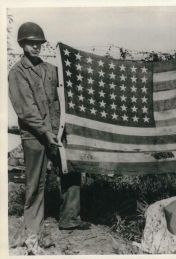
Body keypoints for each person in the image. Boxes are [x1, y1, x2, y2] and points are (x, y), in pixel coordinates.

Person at [9, 22, 90, 254]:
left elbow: (66, 93)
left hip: (56, 133)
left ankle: (70, 218)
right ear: (22, 44)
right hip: (34, 136)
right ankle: (32, 230)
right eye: (31, 43)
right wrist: (47, 134)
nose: (36, 47)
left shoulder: (51, 69)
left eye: (39, 43)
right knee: (36, 183)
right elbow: (27, 111)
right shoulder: (16, 73)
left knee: (70, 169)